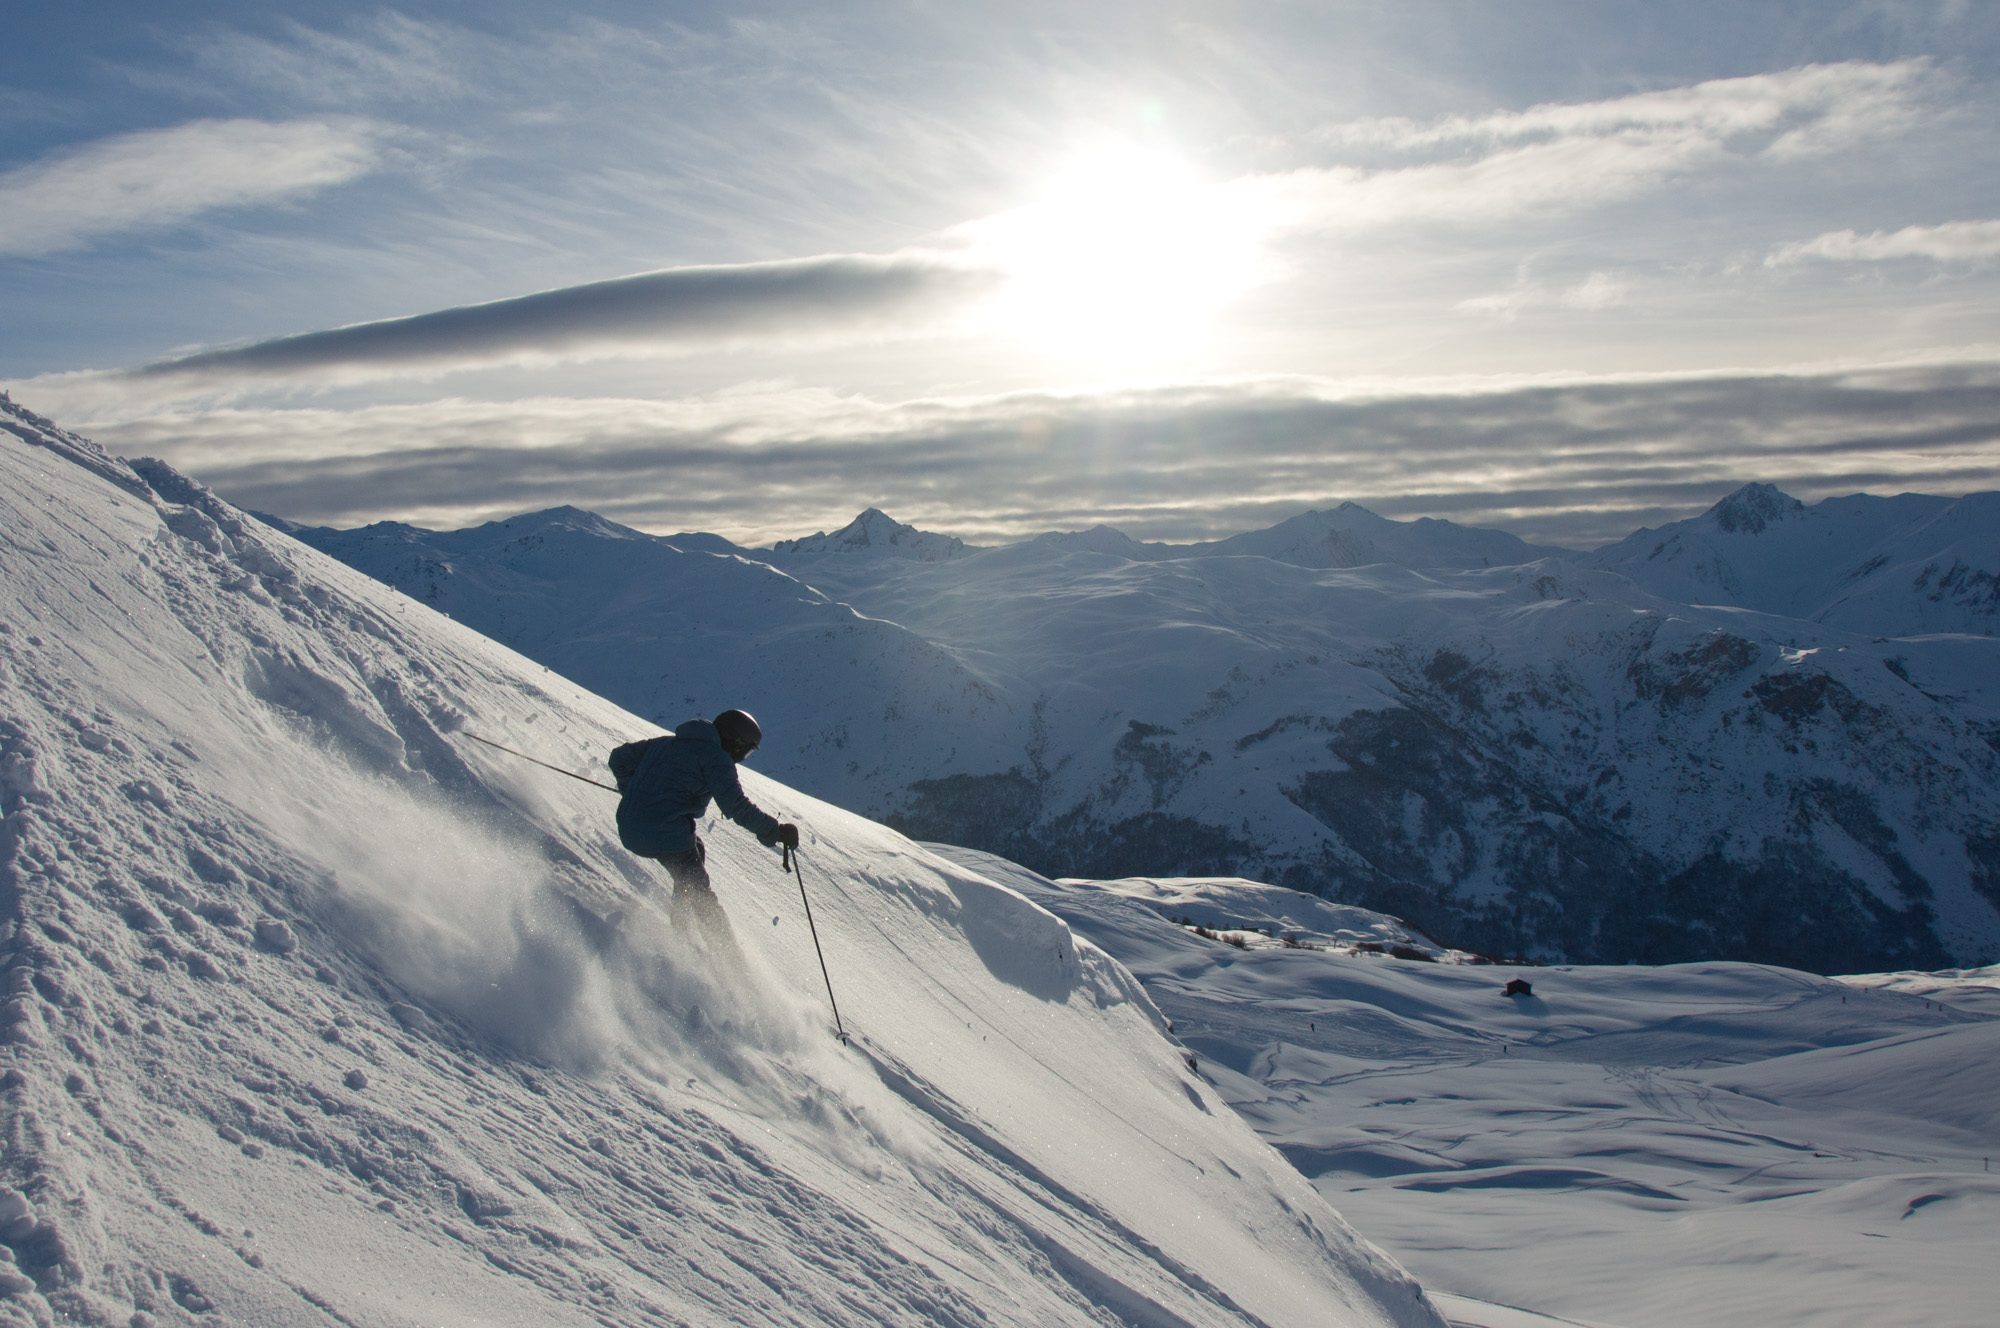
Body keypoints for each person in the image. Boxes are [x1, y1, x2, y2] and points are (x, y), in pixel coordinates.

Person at [610, 709, 799, 933]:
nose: (741, 758)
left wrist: (635, 790)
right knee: (702, 895)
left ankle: (683, 918)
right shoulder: (715, 758)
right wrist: (775, 831)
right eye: (746, 752)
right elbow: (736, 806)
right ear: (735, 742)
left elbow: (618, 759)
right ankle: (725, 959)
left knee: (695, 849)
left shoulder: (667, 743)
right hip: (662, 833)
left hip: (629, 826)